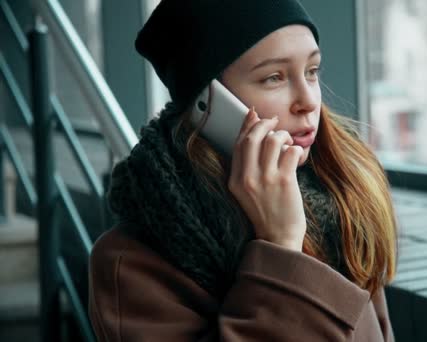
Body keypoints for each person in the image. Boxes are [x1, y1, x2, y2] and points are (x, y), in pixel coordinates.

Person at [88, 0, 398, 341]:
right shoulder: (130, 264)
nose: (309, 101)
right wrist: (279, 248)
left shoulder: (341, 193)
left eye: (312, 71)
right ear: (208, 105)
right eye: (274, 77)